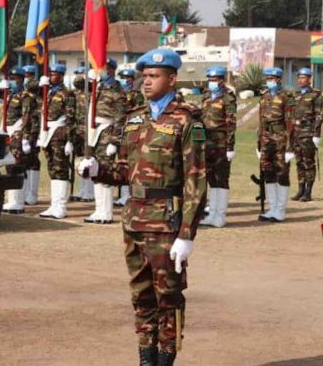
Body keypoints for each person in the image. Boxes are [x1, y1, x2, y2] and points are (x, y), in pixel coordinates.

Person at [78, 48, 206, 365]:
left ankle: (164, 361)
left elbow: (197, 180)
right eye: (144, 76)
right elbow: (124, 170)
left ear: (172, 78)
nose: (146, 82)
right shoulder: (134, 119)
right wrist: (98, 171)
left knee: (168, 297)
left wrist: (187, 234)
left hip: (166, 223)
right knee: (141, 297)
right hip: (133, 221)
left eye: (154, 76)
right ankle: (145, 360)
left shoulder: (187, 121)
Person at [85, 58, 125, 224]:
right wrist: (90, 78)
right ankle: (99, 209)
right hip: (94, 132)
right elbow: (79, 84)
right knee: (94, 169)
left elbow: (121, 117)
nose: (102, 70)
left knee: (105, 170)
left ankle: (106, 212)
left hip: (107, 132)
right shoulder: (97, 86)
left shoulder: (117, 91)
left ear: (112, 70)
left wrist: (114, 141)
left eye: (105, 68)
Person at [198, 65, 237, 228]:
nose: (211, 83)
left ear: (222, 80)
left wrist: (230, 147)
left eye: (214, 80)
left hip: (221, 143)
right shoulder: (206, 96)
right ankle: (212, 213)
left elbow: (231, 124)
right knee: (210, 178)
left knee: (221, 178)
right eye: (210, 80)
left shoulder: (228, 98)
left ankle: (219, 215)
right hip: (207, 143)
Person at [38, 63, 76, 219]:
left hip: (60, 134)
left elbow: (71, 118)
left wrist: (70, 140)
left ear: (60, 76)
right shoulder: (47, 92)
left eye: (53, 74)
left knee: (61, 169)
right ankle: (54, 205)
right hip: (48, 134)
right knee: (52, 169)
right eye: (49, 73)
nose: (51, 76)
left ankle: (61, 206)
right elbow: (31, 89)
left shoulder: (66, 94)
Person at [257, 67, 294, 222]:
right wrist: (258, 143)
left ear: (279, 80)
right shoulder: (264, 97)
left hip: (281, 138)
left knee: (282, 173)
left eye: (272, 79)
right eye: (267, 79)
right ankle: (272, 208)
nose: (269, 81)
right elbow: (260, 120)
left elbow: (291, 122)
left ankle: (280, 210)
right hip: (266, 138)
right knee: (268, 172)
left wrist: (290, 147)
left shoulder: (287, 97)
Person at [1, 67, 38, 213]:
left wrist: (25, 137)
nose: (13, 80)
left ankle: (18, 201)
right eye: (11, 78)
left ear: (22, 79)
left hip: (18, 132)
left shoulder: (25, 95)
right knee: (9, 166)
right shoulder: (10, 94)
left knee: (17, 165)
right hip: (9, 132)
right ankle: (12, 200)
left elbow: (26, 116)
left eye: (16, 78)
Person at [290, 67, 323, 202]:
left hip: (308, 132)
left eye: (303, 77)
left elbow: (319, 116)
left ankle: (308, 192)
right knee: (299, 162)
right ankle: (300, 189)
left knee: (308, 162)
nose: (301, 80)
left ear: (309, 79)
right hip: (296, 132)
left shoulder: (316, 95)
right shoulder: (295, 94)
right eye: (299, 77)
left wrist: (316, 134)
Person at [115, 68, 145, 207]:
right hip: (117, 131)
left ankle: (128, 194)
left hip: (129, 130)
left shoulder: (136, 94)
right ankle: (122, 194)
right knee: (119, 163)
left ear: (133, 80)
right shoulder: (118, 93)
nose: (125, 80)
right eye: (123, 77)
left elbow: (137, 113)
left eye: (128, 78)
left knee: (129, 162)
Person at [70, 67, 95, 202]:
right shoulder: (76, 93)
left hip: (89, 130)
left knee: (89, 160)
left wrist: (87, 77)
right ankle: (82, 189)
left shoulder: (93, 92)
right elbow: (77, 82)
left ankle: (89, 191)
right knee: (80, 161)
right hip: (78, 130)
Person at [20, 65, 42, 204]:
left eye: (28, 75)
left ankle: (32, 194)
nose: (26, 78)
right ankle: (26, 191)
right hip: (25, 130)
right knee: (25, 161)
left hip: (33, 130)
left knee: (33, 160)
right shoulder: (24, 91)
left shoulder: (35, 86)